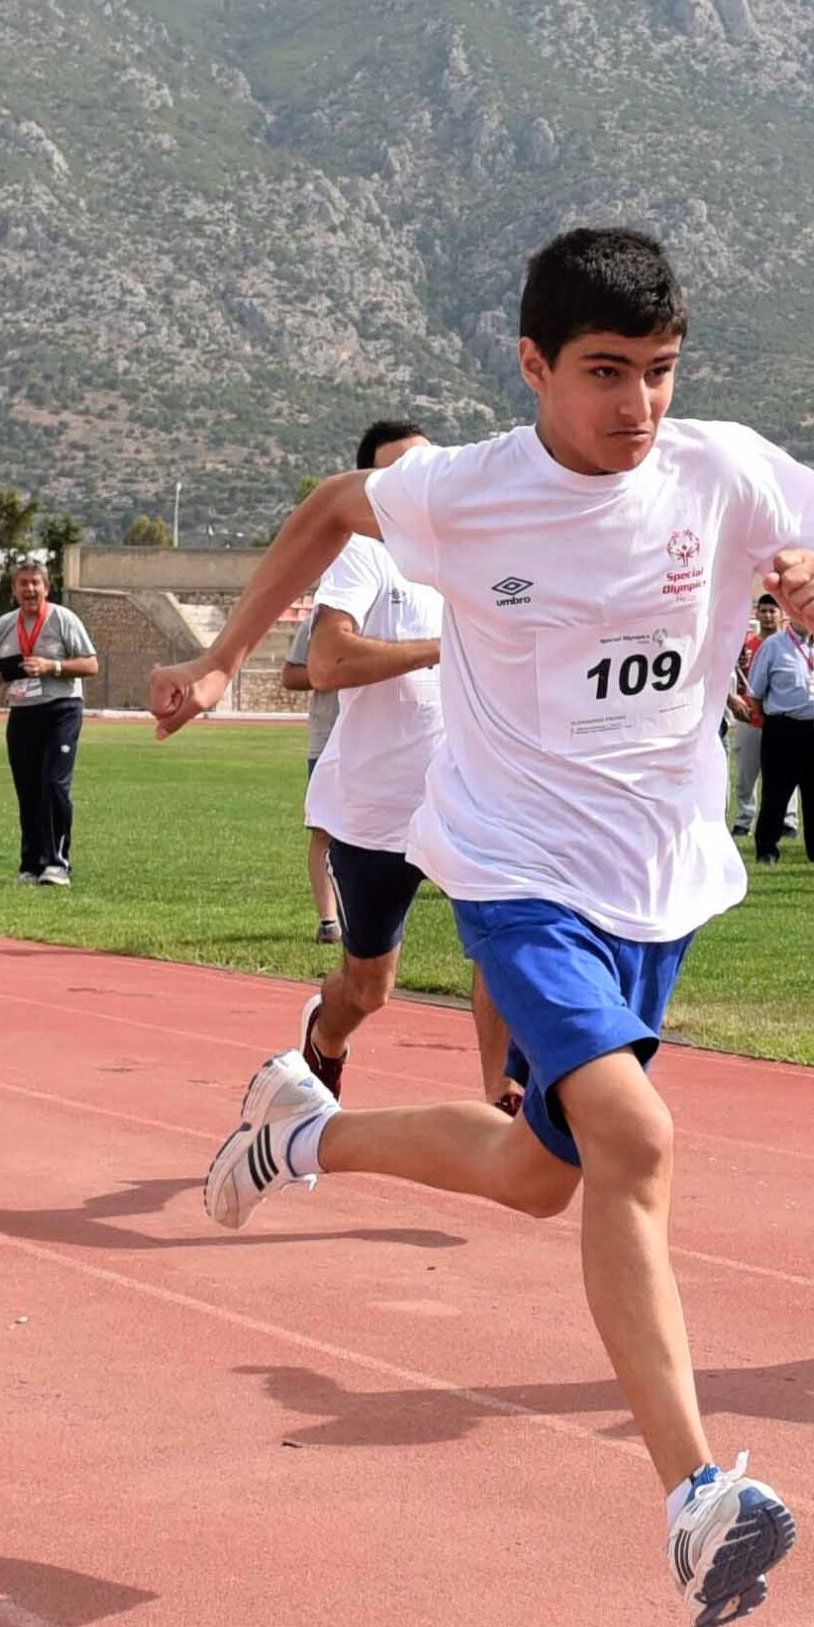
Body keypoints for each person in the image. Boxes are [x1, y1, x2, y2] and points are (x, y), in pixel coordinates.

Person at [148, 226, 814, 1627]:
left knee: (548, 1172)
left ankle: (296, 1134)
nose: (638, 404)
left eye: (660, 369)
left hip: (659, 881)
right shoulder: (468, 490)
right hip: (514, 868)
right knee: (636, 1138)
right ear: (535, 365)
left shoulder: (727, 469)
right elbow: (329, 507)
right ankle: (696, 1496)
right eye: (606, 371)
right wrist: (224, 654)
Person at [292, 419, 518, 1111]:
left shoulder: (478, 556)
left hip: (468, 802)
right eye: (397, 476)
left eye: (429, 469)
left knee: (504, 946)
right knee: (369, 987)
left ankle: (500, 1097)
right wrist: (440, 647)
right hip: (376, 809)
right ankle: (325, 1035)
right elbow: (326, 662)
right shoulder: (366, 554)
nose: (418, 488)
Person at [0, 563, 98, 887]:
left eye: (35, 583)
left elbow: (91, 664)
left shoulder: (63, 619)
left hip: (61, 709)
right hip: (22, 712)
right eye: (23, 583)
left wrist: (51, 666)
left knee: (54, 784)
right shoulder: (5, 624)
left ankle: (57, 863)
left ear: (47, 587)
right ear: (14, 590)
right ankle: (31, 864)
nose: (29, 589)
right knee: (28, 788)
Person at [748, 607, 814, 865]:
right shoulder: (773, 646)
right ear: (791, 616)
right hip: (784, 729)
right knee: (777, 792)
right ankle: (767, 848)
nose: (808, 619)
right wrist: (773, 721)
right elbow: (756, 693)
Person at [283, 606, 345, 944]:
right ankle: (329, 921)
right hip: (328, 740)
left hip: (387, 741)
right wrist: (331, 672)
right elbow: (291, 675)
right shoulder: (319, 619)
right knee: (324, 831)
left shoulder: (400, 612)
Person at [723, 594, 782, 837]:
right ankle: (744, 820)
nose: (767, 616)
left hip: (779, 719)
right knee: (746, 776)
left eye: (772, 611)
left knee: (782, 774)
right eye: (763, 611)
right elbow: (731, 677)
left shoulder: (789, 645)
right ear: (756, 614)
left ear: (781, 615)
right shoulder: (746, 645)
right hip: (750, 718)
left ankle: (786, 821)